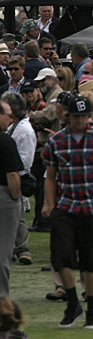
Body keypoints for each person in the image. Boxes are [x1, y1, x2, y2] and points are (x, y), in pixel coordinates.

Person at [41, 94, 93, 329]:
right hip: (66, 205)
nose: (80, 121)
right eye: (76, 117)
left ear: (89, 117)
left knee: (92, 259)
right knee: (62, 255)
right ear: (69, 116)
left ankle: (92, 310)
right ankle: (73, 302)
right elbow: (50, 176)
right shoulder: (56, 142)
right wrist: (49, 203)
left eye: (84, 116)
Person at [0, 99, 24, 297]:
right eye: (7, 115)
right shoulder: (5, 141)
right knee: (3, 252)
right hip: (4, 197)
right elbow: (13, 175)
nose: (10, 119)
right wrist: (16, 199)